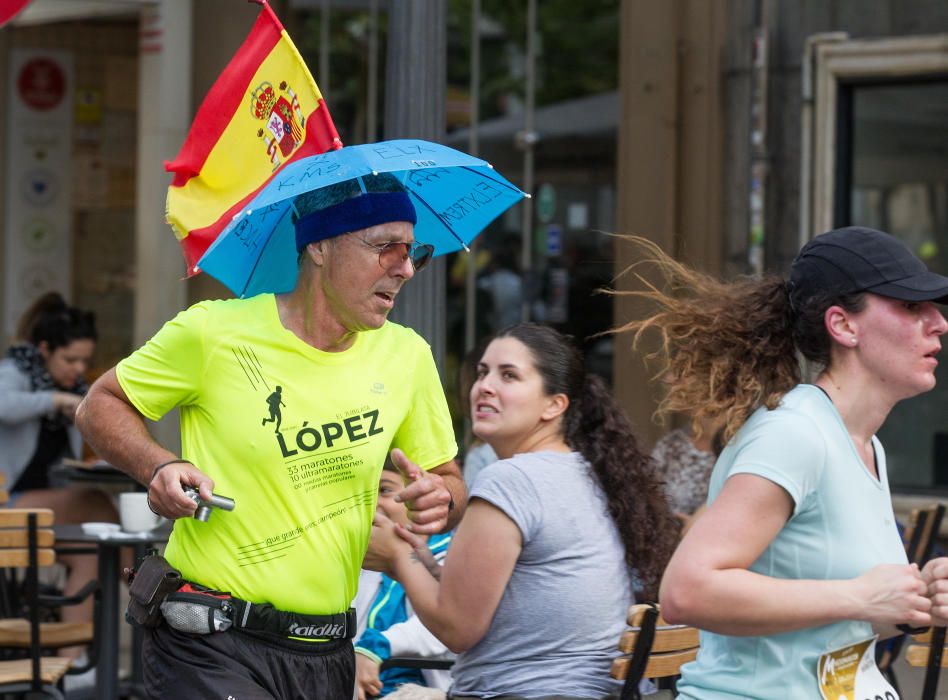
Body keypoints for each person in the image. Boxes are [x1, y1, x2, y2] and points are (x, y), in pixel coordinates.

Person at [76, 173, 466, 700]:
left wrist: (442, 498)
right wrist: (158, 465)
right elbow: (100, 404)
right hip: (210, 639)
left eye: (412, 250)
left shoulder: (408, 355)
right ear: (321, 248)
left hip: (326, 646)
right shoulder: (213, 332)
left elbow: (448, 480)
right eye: (384, 247)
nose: (404, 267)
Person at [612, 226, 948, 698]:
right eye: (911, 306)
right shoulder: (794, 433)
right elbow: (687, 591)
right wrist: (862, 595)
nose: (939, 323)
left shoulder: (865, 445)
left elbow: (834, 627)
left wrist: (915, 603)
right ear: (843, 325)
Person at [365, 323, 678, 699]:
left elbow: (457, 629)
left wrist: (399, 556)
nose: (485, 386)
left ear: (554, 404)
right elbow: (504, 597)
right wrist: (417, 553)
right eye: (482, 373)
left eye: (509, 375)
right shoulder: (587, 472)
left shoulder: (511, 480)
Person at [0, 292, 114, 660]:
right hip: (8, 505)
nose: (79, 369)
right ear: (45, 349)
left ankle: (73, 663)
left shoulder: (74, 391)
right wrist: (54, 401)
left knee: (92, 557)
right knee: (98, 508)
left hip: (42, 508)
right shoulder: (15, 373)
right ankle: (143, 578)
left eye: (85, 360)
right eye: (70, 359)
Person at [353, 460, 453, 700]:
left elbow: (448, 623)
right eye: (365, 492)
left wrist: (377, 645)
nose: (373, 502)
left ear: (422, 497)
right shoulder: (362, 561)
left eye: (385, 490)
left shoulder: (454, 555)